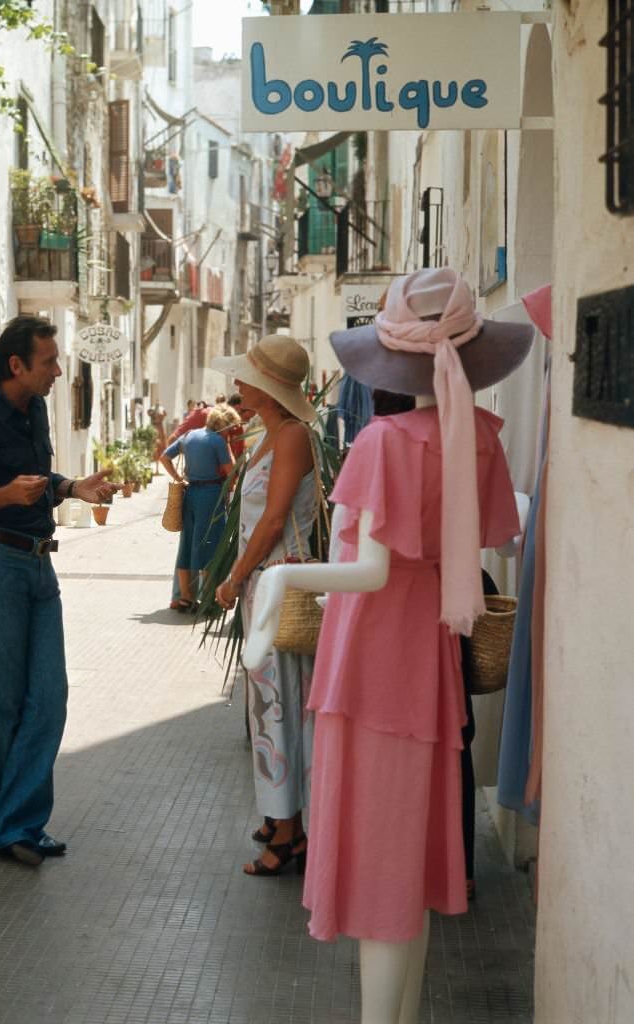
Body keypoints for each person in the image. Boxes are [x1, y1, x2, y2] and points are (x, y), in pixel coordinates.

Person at [241, 269, 533, 1023]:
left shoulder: (383, 440)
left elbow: (368, 571)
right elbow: (489, 541)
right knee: (407, 860)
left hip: (371, 666)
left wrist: (277, 586)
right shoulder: (481, 441)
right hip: (426, 663)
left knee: (379, 867)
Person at [0, 315, 119, 867]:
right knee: (5, 703)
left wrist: (73, 487)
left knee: (50, 698)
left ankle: (15, 822)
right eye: (48, 363)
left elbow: (39, 483)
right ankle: (8, 827)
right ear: (16, 365)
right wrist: (3, 496)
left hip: (40, 566)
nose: (58, 372)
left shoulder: (35, 409)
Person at [211, 335, 320, 876]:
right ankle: (281, 818)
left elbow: (274, 521)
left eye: (245, 376)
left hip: (277, 581)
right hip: (266, 584)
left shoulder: (292, 436)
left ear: (269, 388)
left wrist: (235, 576)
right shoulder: (270, 432)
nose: (236, 383)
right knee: (268, 702)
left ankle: (289, 829)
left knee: (280, 702)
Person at [159, 403, 238, 611]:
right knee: (210, 545)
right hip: (211, 496)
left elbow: (164, 457)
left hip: (190, 494)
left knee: (186, 545)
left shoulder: (189, 436)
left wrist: (178, 478)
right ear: (224, 424)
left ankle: (186, 597)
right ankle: (208, 596)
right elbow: (231, 473)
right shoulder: (217, 441)